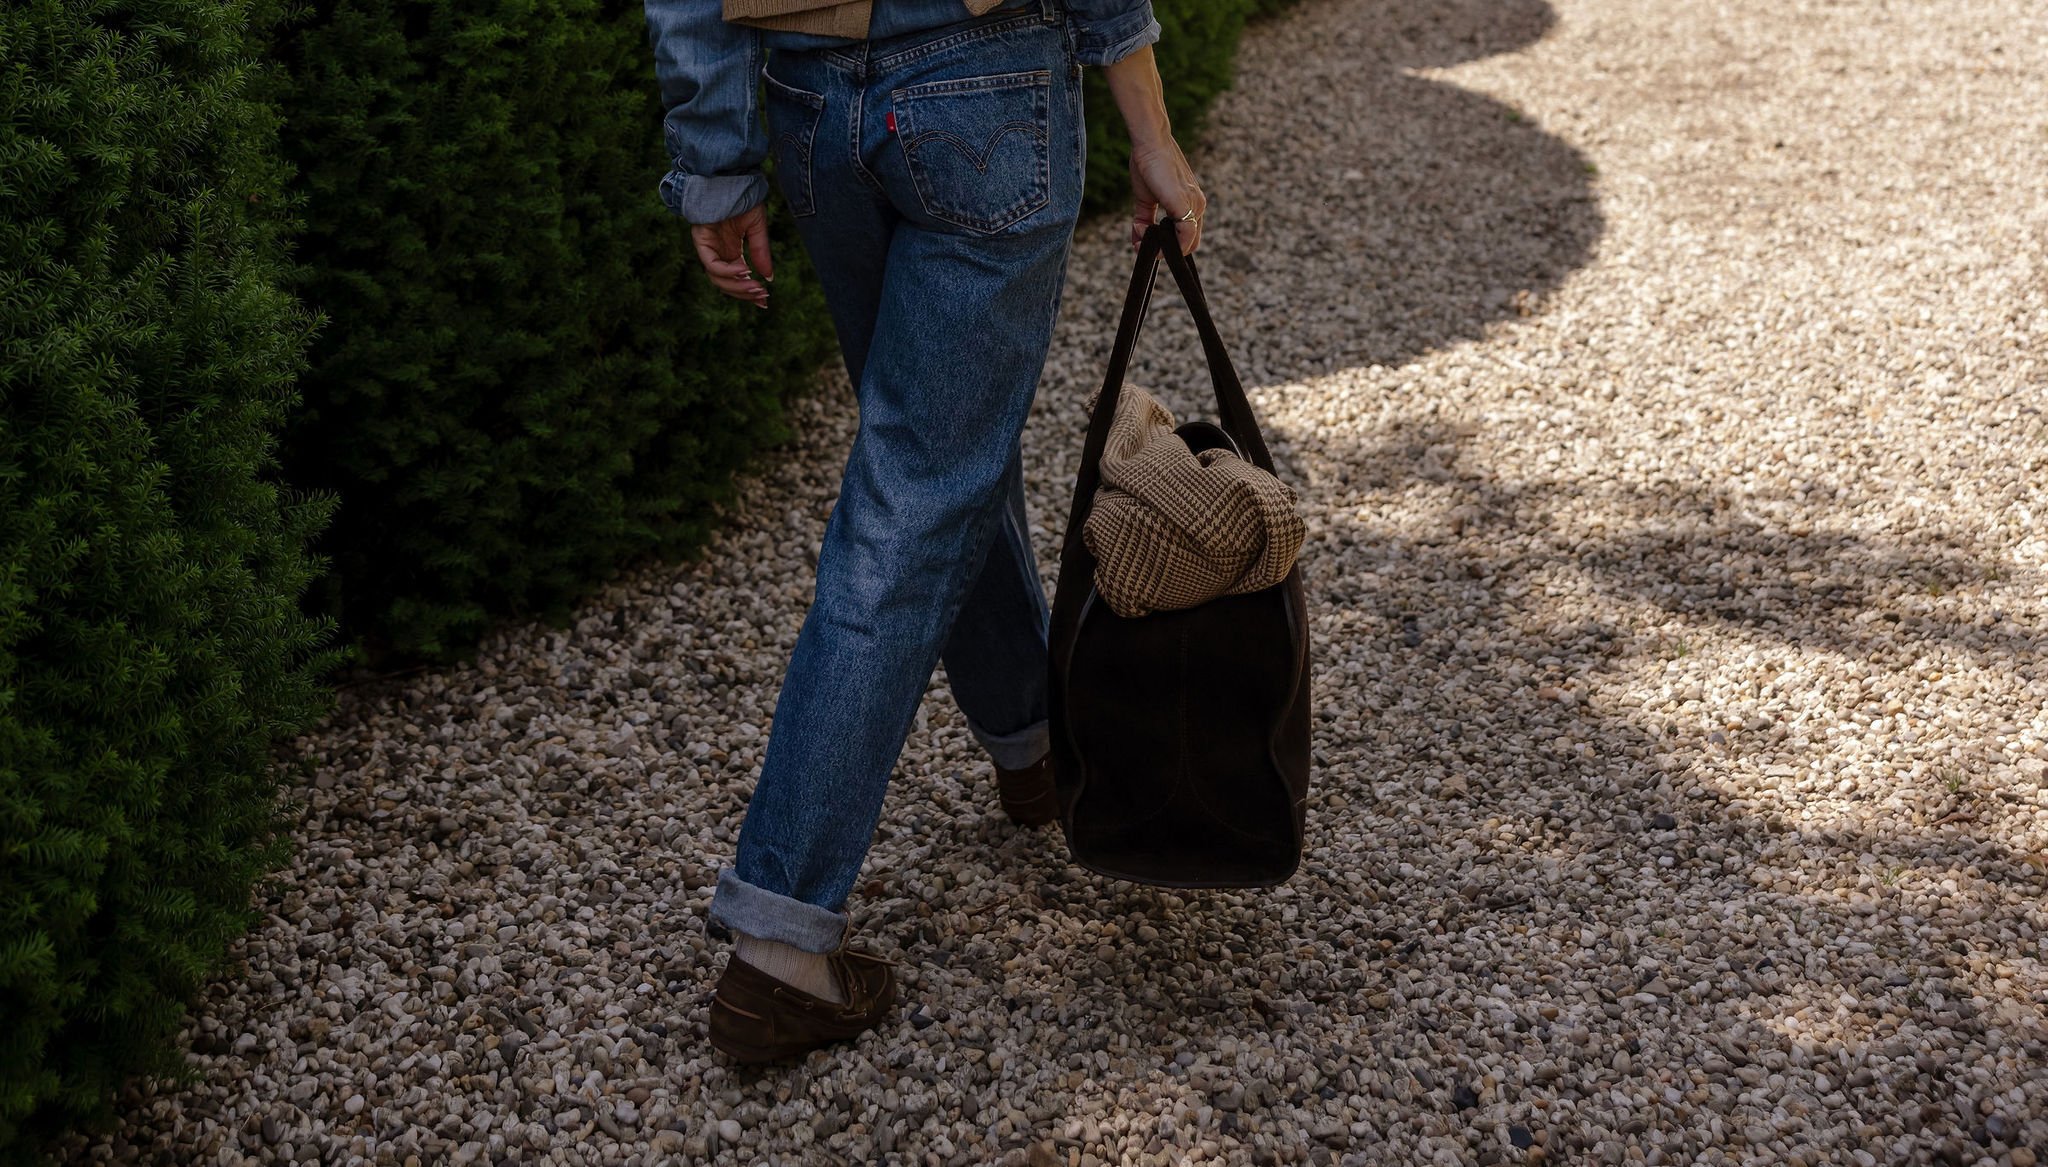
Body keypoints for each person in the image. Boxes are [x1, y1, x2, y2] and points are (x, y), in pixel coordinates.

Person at [642, 0, 1207, 1062]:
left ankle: (1031, 739)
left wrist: (716, 161)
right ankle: (778, 944)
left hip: (814, 99)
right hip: (985, 85)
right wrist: (1151, 131)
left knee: (938, 451)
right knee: (919, 484)